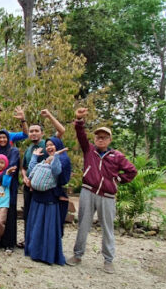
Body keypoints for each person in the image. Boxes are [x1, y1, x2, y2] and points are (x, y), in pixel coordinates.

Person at [66, 108, 137, 274]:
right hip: (88, 191)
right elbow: (80, 134)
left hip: (107, 195)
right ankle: (77, 255)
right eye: (98, 137)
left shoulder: (117, 156)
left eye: (104, 137)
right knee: (83, 224)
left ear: (110, 139)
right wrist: (79, 120)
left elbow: (132, 171)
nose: (100, 139)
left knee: (107, 227)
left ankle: (108, 260)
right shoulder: (89, 150)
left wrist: (117, 179)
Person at [19, 109, 66, 248]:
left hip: (44, 188)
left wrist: (50, 115)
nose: (33, 133)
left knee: (40, 216)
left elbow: (61, 130)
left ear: (42, 133)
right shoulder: (29, 149)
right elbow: (24, 167)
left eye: (36, 131)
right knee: (28, 214)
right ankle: (28, 240)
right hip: (29, 186)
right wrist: (25, 178)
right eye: (31, 131)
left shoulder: (48, 145)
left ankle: (40, 242)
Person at [24, 142, 68, 265]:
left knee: (47, 227)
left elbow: (56, 170)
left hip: (50, 199)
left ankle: (46, 255)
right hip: (37, 197)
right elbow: (32, 170)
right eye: (47, 145)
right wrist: (34, 156)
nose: (49, 147)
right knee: (36, 225)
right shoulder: (41, 163)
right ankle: (34, 251)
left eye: (52, 145)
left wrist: (56, 156)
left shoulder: (61, 160)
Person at [0, 130, 21, 252]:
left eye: (4, 137)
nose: (2, 140)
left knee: (10, 213)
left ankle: (9, 243)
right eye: (0, 138)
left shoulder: (13, 151)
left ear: (8, 139)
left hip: (9, 186)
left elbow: (11, 167)